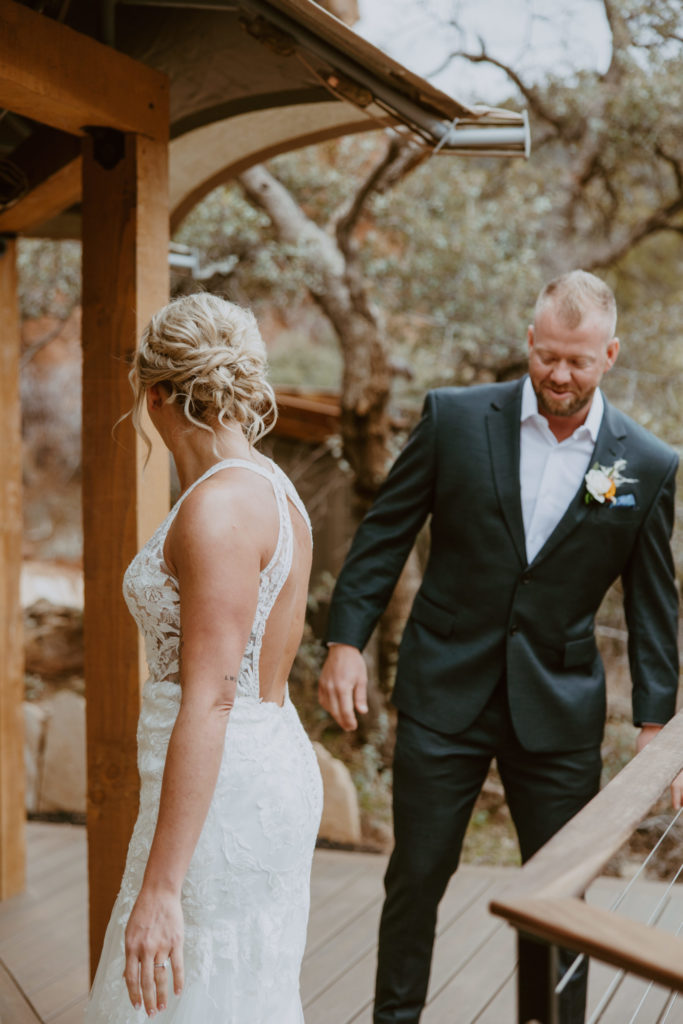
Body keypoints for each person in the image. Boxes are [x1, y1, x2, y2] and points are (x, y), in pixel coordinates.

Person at [318, 270, 679, 1024]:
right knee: (415, 876)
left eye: (578, 360)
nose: (558, 374)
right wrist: (345, 642)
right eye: (547, 355)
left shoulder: (643, 463)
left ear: (608, 354)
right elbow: (384, 533)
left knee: (561, 901)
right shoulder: (452, 419)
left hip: (557, 710)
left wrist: (656, 729)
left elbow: (652, 603)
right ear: (528, 341)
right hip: (443, 691)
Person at [85, 293, 322, 1023]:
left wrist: (160, 887)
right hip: (258, 765)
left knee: (175, 980)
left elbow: (213, 699)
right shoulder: (272, 490)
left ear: (155, 394)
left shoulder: (218, 510)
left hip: (223, 794)